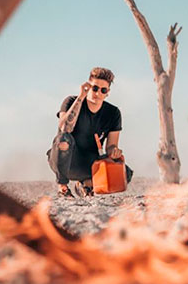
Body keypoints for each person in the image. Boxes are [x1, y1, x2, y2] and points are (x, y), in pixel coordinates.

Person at [47, 67, 128, 197]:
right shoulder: (71, 101)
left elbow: (111, 146)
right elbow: (64, 128)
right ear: (88, 86)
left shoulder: (113, 113)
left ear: (107, 92)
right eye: (95, 88)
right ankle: (62, 186)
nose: (98, 93)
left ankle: (86, 183)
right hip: (66, 161)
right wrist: (81, 97)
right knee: (63, 139)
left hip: (90, 163)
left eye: (103, 90)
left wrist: (114, 151)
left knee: (125, 173)